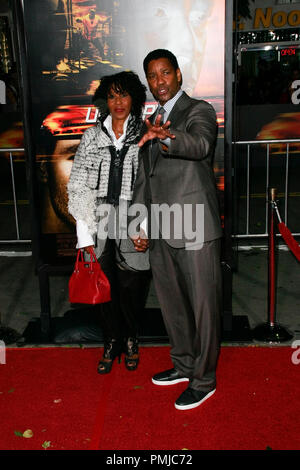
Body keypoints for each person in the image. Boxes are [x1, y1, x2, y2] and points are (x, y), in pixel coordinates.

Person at [131, 49, 222, 410]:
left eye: (165, 73)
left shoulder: (198, 110)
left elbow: (199, 145)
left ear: (179, 75)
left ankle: (205, 380)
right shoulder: (151, 119)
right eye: (152, 76)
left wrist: (165, 137)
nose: (159, 82)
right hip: (163, 227)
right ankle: (184, 365)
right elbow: (145, 179)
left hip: (196, 226)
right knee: (174, 307)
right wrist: (139, 222)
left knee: (203, 307)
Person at [67, 71, 150, 374]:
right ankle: (111, 340)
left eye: (124, 95)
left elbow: (149, 184)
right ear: (105, 99)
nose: (118, 102)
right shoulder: (91, 136)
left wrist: (143, 227)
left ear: (134, 99)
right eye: (112, 95)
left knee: (133, 285)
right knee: (103, 285)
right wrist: (83, 232)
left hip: (133, 215)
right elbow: (78, 185)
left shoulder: (144, 132)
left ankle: (131, 338)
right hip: (98, 216)